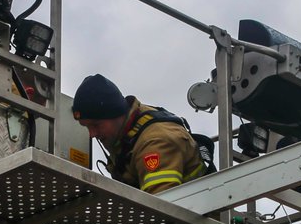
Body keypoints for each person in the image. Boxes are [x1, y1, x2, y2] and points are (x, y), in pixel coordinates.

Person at [71, 74, 206, 194]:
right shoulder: (128, 135)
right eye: (86, 127)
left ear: (115, 113)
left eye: (96, 125)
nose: (92, 134)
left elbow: (161, 209)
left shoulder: (156, 143)